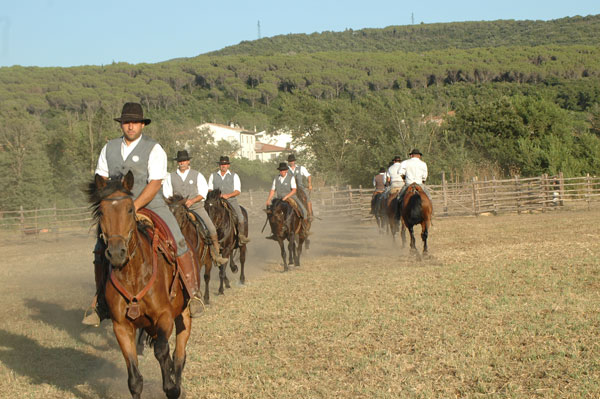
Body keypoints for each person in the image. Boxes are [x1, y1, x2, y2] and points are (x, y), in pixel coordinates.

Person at [82, 102, 199, 326]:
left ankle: (193, 295)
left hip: (150, 204)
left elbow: (155, 182)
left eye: (135, 122)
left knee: (179, 241)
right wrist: (113, 204)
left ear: (142, 124)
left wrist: (134, 206)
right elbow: (101, 178)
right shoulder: (109, 148)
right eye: (127, 122)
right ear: (121, 125)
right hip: (117, 208)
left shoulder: (154, 148)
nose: (130, 126)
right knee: (99, 249)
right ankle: (100, 304)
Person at [162, 150, 229, 265]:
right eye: (180, 161)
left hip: (196, 207)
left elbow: (203, 192)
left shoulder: (197, 175)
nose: (182, 163)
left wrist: (192, 201)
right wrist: (178, 203)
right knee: (164, 229)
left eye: (184, 161)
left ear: (188, 161)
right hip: (177, 210)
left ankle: (216, 255)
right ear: (177, 163)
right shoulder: (170, 177)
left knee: (211, 228)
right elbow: (167, 194)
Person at [207, 156, 250, 244]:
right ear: (219, 165)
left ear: (228, 165)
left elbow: (238, 191)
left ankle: (241, 236)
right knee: (208, 215)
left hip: (231, 200)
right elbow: (209, 189)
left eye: (225, 164)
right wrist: (217, 195)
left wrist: (228, 195)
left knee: (240, 217)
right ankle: (207, 236)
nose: (223, 166)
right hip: (216, 201)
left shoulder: (234, 176)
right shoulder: (213, 175)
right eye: (222, 164)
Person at [265, 162, 308, 239]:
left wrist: (286, 196)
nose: (282, 172)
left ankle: (304, 229)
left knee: (304, 211)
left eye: (284, 170)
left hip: (291, 197)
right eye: (281, 170)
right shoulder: (276, 178)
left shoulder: (291, 178)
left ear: (286, 170)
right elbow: (272, 190)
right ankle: (274, 232)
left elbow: (294, 190)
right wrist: (268, 199)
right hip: (279, 199)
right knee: (271, 213)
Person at [287, 154, 314, 221]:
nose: (292, 162)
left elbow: (308, 176)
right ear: (289, 162)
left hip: (300, 187)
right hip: (290, 189)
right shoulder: (286, 170)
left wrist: (310, 184)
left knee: (307, 198)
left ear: (294, 161)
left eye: (293, 161)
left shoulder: (301, 168)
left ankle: (310, 214)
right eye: (290, 161)